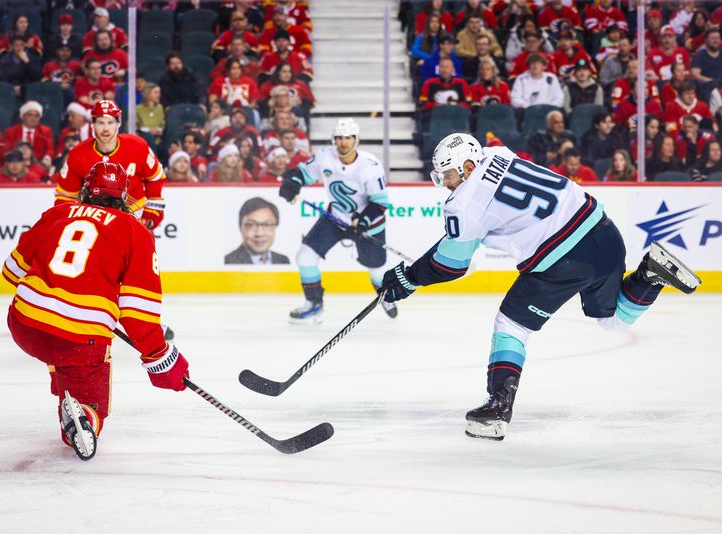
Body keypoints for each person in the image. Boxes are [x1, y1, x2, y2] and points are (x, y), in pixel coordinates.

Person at [379, 132, 701, 441]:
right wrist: (417, 268)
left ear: (467, 168)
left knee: (512, 323)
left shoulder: (462, 204)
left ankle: (497, 410)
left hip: (564, 259)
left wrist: (409, 278)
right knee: (612, 318)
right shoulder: (496, 153)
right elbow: (467, 229)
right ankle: (650, 275)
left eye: (448, 175)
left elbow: (452, 263)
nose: (445, 184)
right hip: (602, 230)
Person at [4, 161, 189, 460]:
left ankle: (66, 388)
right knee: (87, 381)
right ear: (124, 196)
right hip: (79, 340)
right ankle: (84, 413)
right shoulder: (136, 232)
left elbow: (11, 272)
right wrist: (160, 357)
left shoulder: (57, 213)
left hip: (24, 324)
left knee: (58, 348)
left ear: (86, 190)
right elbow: (137, 314)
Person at [278, 118, 396, 322]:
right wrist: (293, 182)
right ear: (334, 140)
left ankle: (386, 295)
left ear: (356, 140)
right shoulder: (325, 157)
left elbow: (380, 204)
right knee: (305, 257)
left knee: (376, 268)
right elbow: (302, 173)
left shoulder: (370, 166)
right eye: (339, 138)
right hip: (335, 218)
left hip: (369, 225)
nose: (343, 142)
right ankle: (314, 304)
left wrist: (362, 222)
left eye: (348, 138)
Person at [56, 100, 167, 230]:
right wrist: (67, 222)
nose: (105, 129)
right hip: (94, 218)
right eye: (100, 123)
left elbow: (156, 178)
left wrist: (151, 214)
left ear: (118, 124)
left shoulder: (138, 146)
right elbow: (65, 196)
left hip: (135, 215)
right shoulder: (78, 154)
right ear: (92, 125)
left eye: (110, 122)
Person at [225, 197, 289, 265]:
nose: (259, 233)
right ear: (241, 227)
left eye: (267, 225)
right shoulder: (228, 262)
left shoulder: (283, 261)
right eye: (251, 225)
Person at [4, 101, 55, 170]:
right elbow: (7, 149)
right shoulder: (11, 131)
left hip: (39, 165)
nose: (33, 118)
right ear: (23, 116)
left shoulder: (45, 131)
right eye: (30, 115)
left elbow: (50, 149)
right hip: (17, 165)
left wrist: (46, 159)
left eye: (36, 116)